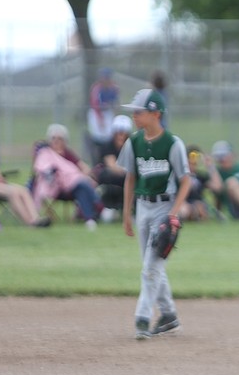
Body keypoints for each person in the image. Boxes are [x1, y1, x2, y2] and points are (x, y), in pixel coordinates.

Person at [118, 88, 192, 340]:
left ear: (155, 114)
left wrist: (173, 213)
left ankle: (142, 318)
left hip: (164, 207)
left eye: (139, 112)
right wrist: (126, 214)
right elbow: (130, 178)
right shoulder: (134, 142)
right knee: (151, 265)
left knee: (151, 266)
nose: (134, 116)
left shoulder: (173, 144)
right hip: (142, 207)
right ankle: (169, 315)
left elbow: (186, 181)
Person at [32, 124, 103, 229]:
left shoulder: (68, 154)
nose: (56, 141)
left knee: (81, 187)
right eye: (53, 138)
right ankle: (99, 207)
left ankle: (89, 219)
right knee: (83, 183)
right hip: (55, 187)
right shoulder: (46, 154)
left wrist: (87, 174)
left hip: (72, 186)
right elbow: (41, 168)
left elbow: (82, 167)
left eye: (60, 139)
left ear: (65, 141)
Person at [92, 115, 134, 214]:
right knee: (109, 175)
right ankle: (107, 206)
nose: (121, 136)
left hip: (126, 178)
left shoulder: (132, 146)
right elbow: (113, 166)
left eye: (124, 133)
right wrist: (128, 171)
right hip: (111, 179)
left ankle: (131, 209)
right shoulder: (108, 146)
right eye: (118, 132)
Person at [87, 68, 120, 159]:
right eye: (104, 77)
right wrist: (100, 120)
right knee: (97, 136)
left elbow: (115, 103)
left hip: (108, 113)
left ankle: (107, 156)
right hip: (96, 113)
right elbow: (95, 105)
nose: (106, 79)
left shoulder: (113, 88)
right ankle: (97, 156)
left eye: (107, 77)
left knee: (109, 135)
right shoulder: (97, 88)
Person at [175, 145, 215, 221]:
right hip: (182, 203)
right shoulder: (178, 175)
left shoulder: (200, 176)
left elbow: (217, 187)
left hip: (198, 203)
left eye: (194, 164)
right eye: (189, 163)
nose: (192, 166)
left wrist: (210, 166)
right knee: (184, 210)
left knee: (199, 207)